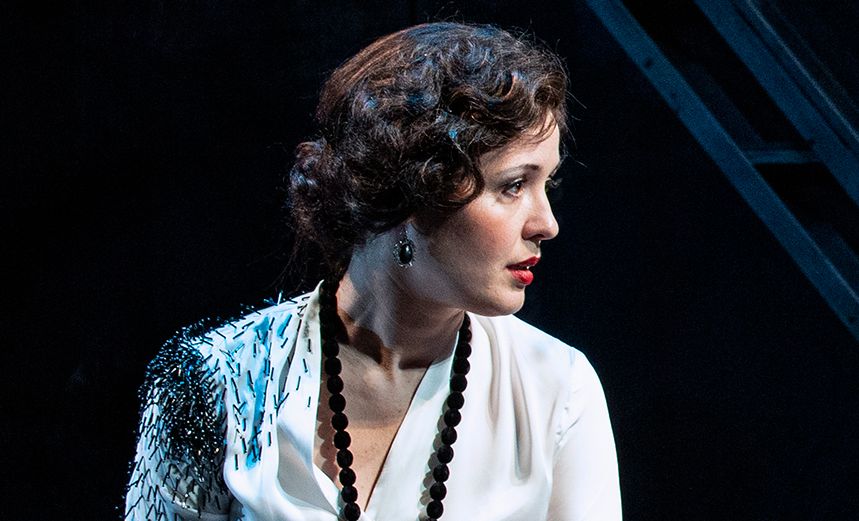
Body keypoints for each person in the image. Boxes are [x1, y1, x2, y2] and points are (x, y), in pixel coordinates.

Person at [124, 22, 621, 521]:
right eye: (513, 185)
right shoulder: (218, 378)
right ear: (409, 193)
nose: (547, 224)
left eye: (546, 185)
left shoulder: (557, 389)